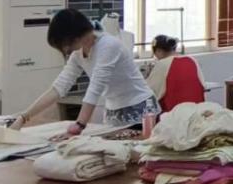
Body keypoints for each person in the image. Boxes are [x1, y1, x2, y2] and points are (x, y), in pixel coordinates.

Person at [11, 9, 159, 135]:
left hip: (140, 110)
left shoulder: (108, 45)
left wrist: (80, 124)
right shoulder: (78, 53)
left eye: (64, 44)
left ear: (75, 36)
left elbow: (96, 87)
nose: (65, 49)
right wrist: (24, 117)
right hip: (114, 112)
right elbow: (59, 87)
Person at [146, 35, 207, 112]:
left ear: (159, 51)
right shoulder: (192, 60)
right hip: (197, 112)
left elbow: (150, 91)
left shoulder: (162, 64)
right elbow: (203, 86)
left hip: (173, 115)